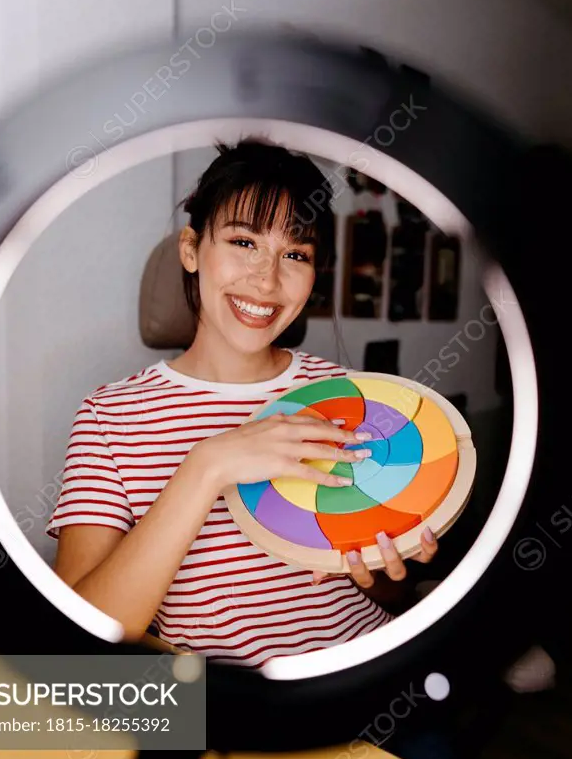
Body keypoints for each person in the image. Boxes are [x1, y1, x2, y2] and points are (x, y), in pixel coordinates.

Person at [46, 138, 440, 669]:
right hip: (230, 715)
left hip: (376, 687)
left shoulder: (353, 397)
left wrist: (392, 573)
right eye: (243, 242)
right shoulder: (108, 417)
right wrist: (207, 466)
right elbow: (83, 637)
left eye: (295, 254)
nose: (267, 279)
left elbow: (388, 596)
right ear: (191, 249)